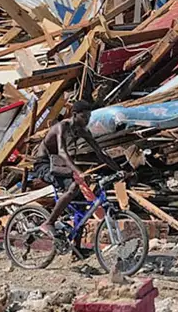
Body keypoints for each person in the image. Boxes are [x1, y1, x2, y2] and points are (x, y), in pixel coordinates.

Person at [33, 100, 122, 235]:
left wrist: (119, 170)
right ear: (74, 115)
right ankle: (48, 222)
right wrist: (79, 172)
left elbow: (100, 153)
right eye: (84, 117)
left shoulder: (82, 131)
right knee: (74, 185)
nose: (87, 120)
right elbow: (62, 151)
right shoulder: (62, 127)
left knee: (80, 201)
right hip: (44, 164)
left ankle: (76, 246)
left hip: (59, 164)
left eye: (89, 117)